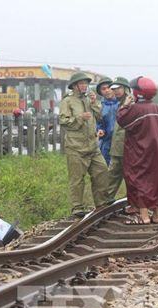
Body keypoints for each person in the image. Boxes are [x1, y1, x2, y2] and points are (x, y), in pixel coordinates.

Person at [116, 76, 158, 224]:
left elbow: (121, 119)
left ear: (137, 92)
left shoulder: (136, 109)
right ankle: (156, 215)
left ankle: (144, 216)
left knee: (140, 180)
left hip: (140, 152)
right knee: (156, 180)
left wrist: (125, 105)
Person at [59, 72, 109, 218]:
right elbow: (63, 122)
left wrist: (94, 103)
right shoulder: (67, 101)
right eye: (82, 83)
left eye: (86, 83)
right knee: (77, 178)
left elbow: (100, 116)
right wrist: (79, 118)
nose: (85, 86)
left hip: (93, 146)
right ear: (75, 86)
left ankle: (101, 203)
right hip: (75, 146)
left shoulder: (89, 99)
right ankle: (77, 207)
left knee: (102, 171)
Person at [106, 77, 132, 204]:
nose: (115, 91)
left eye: (118, 88)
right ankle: (106, 201)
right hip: (117, 147)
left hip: (127, 148)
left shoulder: (131, 103)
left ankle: (134, 203)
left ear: (126, 88)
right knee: (112, 174)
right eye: (114, 89)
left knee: (130, 177)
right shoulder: (120, 103)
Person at [95, 77, 118, 166]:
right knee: (105, 166)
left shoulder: (121, 103)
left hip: (121, 141)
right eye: (103, 89)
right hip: (106, 141)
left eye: (109, 88)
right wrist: (100, 130)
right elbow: (99, 123)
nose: (107, 90)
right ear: (100, 92)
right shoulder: (99, 106)